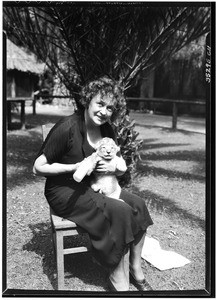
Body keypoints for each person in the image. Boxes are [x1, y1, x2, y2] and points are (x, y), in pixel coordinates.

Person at [33, 77, 153, 291]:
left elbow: (112, 162)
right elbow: (37, 168)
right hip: (64, 191)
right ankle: (117, 274)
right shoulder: (67, 127)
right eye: (100, 103)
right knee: (121, 211)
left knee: (138, 204)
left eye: (109, 108)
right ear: (88, 100)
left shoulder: (107, 130)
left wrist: (112, 169)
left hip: (94, 185)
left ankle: (135, 268)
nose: (104, 111)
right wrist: (74, 167)